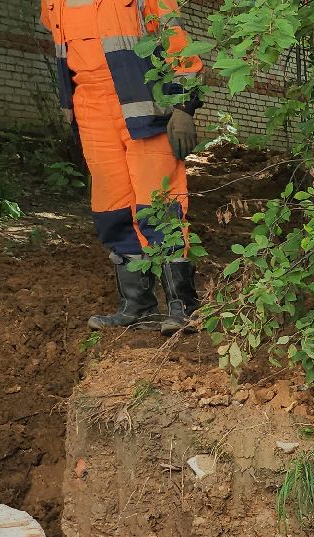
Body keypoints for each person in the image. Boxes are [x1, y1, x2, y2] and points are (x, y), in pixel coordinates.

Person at [39, 0, 202, 332]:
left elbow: (176, 42)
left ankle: (182, 305)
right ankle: (138, 306)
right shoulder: (52, 3)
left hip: (146, 106)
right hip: (91, 110)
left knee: (158, 204)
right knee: (111, 208)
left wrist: (184, 106)